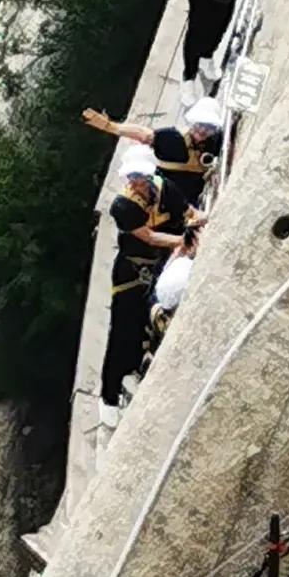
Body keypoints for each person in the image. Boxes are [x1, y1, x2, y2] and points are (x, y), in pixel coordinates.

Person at [83, 96, 223, 231]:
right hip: (170, 197)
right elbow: (143, 134)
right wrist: (111, 127)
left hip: (195, 192)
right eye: (200, 124)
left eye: (209, 127)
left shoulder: (214, 140)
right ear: (193, 122)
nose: (203, 130)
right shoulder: (172, 139)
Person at [101, 173, 175, 413]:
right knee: (123, 331)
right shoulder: (125, 206)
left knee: (141, 323)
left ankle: (133, 369)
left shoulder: (162, 192)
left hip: (148, 269)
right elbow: (150, 237)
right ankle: (110, 394)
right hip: (131, 272)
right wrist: (182, 241)